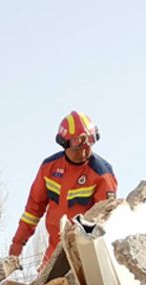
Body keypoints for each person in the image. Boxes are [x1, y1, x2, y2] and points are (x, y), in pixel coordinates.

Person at [9, 111, 118, 268]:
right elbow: (33, 210)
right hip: (54, 250)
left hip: (85, 253)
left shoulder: (102, 174)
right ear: (64, 143)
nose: (84, 150)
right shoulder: (49, 168)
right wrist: (17, 244)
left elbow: (105, 220)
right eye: (78, 145)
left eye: (89, 144)